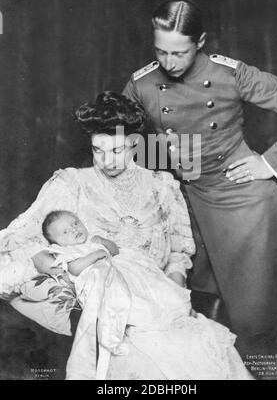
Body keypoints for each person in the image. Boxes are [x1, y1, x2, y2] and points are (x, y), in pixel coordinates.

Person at [0, 92, 251, 379]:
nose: (106, 161)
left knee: (193, 346)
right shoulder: (72, 183)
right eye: (98, 150)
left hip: (157, 300)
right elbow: (27, 236)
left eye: (117, 150)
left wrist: (173, 298)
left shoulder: (161, 187)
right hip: (104, 304)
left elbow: (179, 254)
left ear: (135, 143)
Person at [123, 0, 277, 354]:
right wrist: (167, 155)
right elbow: (121, 145)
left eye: (179, 53)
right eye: (161, 51)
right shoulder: (141, 83)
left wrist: (273, 161)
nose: (169, 63)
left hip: (242, 196)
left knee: (264, 324)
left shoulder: (232, 74)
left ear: (200, 41)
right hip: (185, 197)